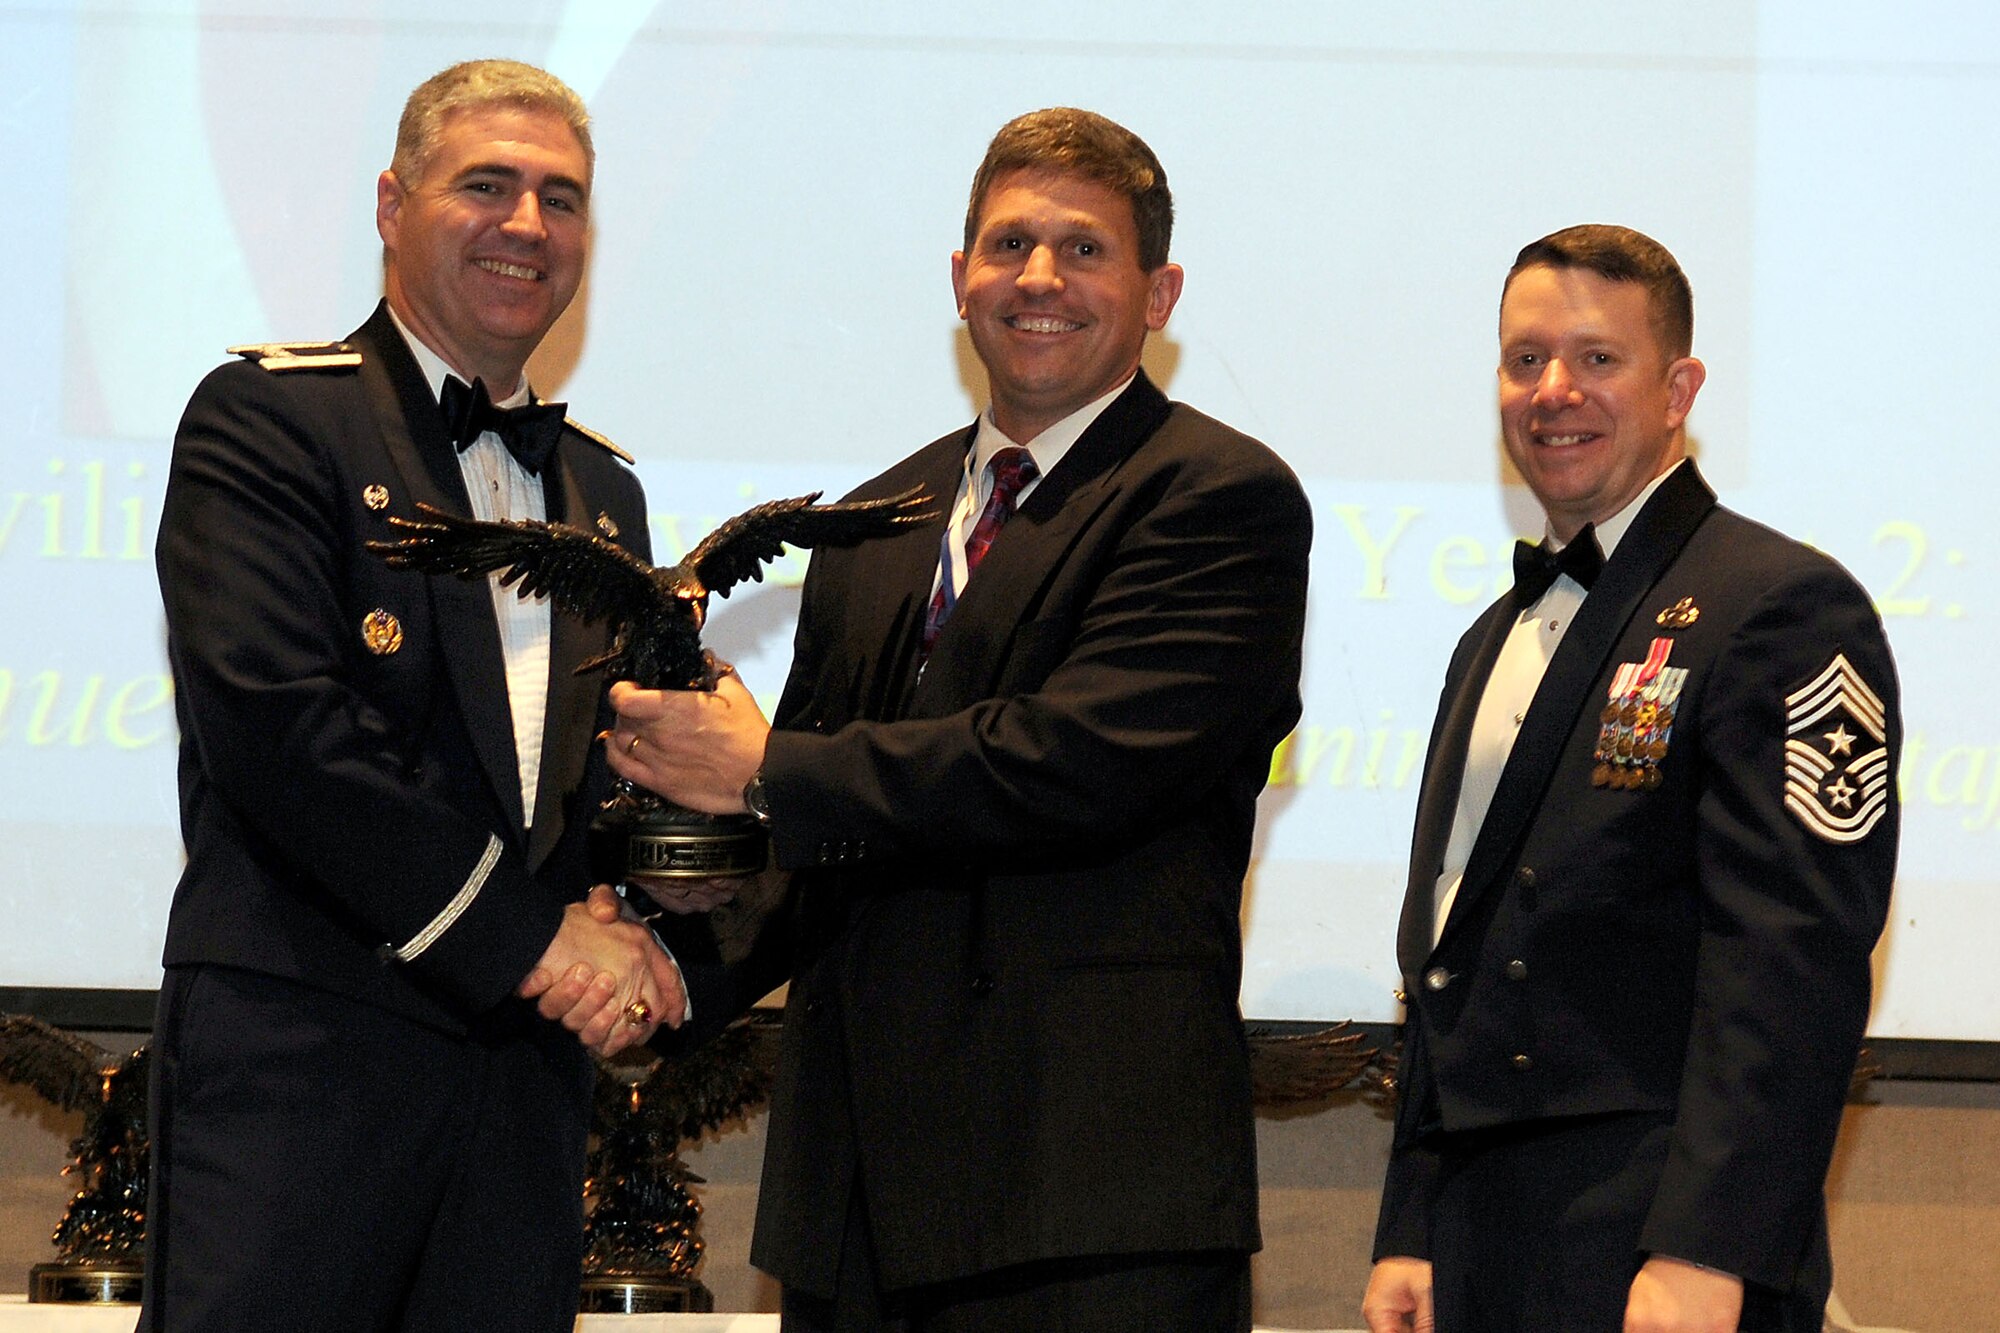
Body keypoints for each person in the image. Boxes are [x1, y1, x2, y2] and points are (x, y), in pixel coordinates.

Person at [608, 108, 1313, 1330]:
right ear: (959, 278)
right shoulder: (875, 515)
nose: (1039, 278)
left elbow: (1075, 762)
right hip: (857, 1201)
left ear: (1160, 294)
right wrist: (669, 952)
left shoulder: (1218, 495)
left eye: (1085, 250)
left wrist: (765, 767)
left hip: (1085, 1196)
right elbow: (818, 840)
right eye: (1008, 245)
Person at [145, 59, 685, 1331]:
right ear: (392, 204)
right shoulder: (267, 423)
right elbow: (284, 737)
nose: (527, 226)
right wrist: (542, 942)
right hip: (302, 1081)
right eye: (485, 185)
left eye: (562, 199)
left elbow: (594, 792)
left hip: (520, 1114)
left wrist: (662, 900)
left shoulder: (605, 497)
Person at [1362, 225, 1899, 1333]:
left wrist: (1708, 1247)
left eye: (1597, 358)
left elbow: (1788, 957)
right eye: (1524, 360)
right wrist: (1411, 1217)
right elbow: (1451, 940)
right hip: (1481, 1232)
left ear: (1677, 388)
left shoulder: (1778, 604)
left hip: (1657, 1236)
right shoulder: (1490, 636)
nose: (1552, 390)